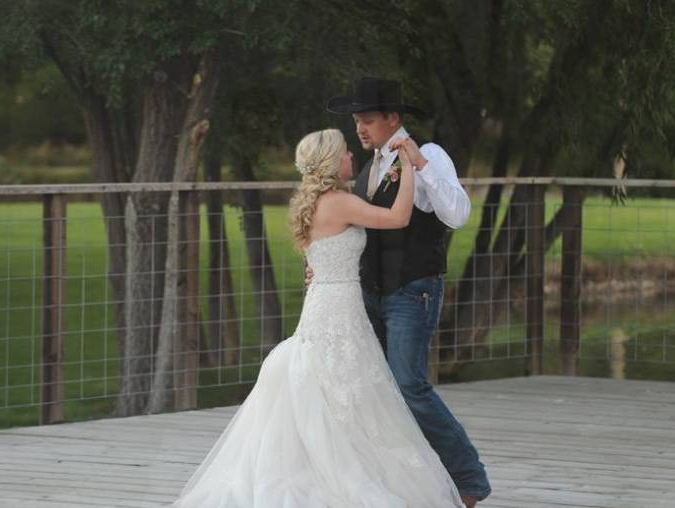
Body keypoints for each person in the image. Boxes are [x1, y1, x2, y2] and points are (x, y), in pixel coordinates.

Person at [173, 128, 465, 507]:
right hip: (339, 307)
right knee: (348, 389)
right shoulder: (338, 202)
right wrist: (408, 164)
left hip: (328, 300)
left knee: (337, 390)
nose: (351, 158)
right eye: (345, 153)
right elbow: (398, 217)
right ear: (331, 161)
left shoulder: (314, 202)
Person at [320, 77, 491, 507]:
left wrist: (420, 165)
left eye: (369, 120)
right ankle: (395, 479)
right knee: (375, 387)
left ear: (393, 118)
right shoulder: (371, 165)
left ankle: (469, 480)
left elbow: (458, 214)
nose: (360, 128)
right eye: (357, 121)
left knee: (411, 385)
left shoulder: (428, 155)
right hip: (371, 293)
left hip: (413, 290)